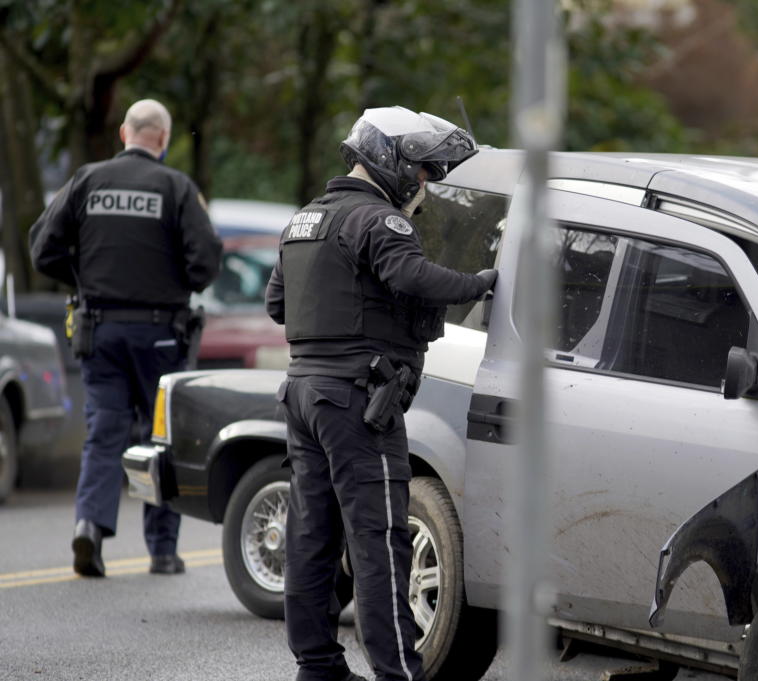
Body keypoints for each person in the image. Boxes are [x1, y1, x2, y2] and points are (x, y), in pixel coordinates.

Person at [265, 106, 497, 681]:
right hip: (356, 400)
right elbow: (412, 276)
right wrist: (481, 283)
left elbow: (277, 305)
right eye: (419, 171)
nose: (422, 184)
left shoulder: (304, 220)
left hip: (303, 394)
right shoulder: (377, 221)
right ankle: (397, 672)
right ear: (390, 160)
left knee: (312, 534)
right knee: (378, 540)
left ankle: (317, 666)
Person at [29, 99, 223, 578]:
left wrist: (85, 280)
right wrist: (171, 279)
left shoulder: (86, 181)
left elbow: (42, 249)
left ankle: (89, 529)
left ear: (123, 134)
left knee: (103, 432)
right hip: (160, 333)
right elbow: (205, 263)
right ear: (162, 137)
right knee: (162, 437)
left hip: (101, 330)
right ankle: (161, 551)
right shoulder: (176, 187)